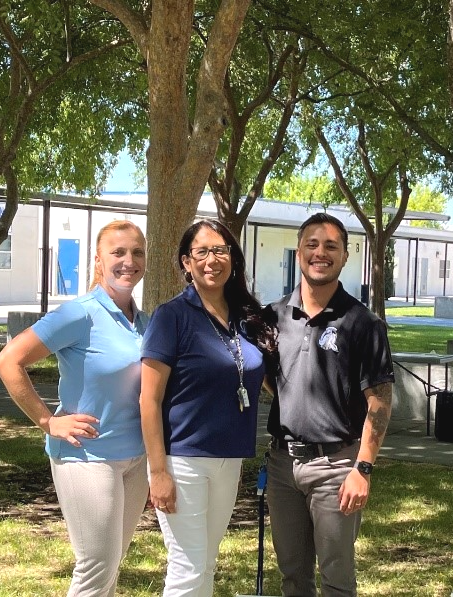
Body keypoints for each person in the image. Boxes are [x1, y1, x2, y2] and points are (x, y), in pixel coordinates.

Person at [0, 220, 149, 597]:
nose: (129, 261)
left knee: (110, 566)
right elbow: (8, 361)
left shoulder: (143, 321)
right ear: (98, 260)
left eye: (137, 252)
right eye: (118, 252)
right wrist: (48, 421)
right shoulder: (78, 313)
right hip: (87, 457)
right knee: (96, 568)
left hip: (136, 459)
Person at [140, 219, 275, 596]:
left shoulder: (247, 318)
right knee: (187, 567)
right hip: (182, 460)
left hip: (231, 457)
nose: (212, 260)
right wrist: (158, 473)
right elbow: (148, 399)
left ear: (233, 257)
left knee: (207, 562)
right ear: (186, 262)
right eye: (202, 252)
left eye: (220, 250)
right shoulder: (172, 316)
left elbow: (265, 377)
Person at [264, 213, 394, 597]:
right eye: (312, 244)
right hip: (282, 465)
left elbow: (380, 402)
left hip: (337, 467)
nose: (320, 253)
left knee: (336, 578)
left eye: (331, 246)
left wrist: (362, 469)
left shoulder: (363, 323)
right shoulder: (273, 317)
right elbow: (271, 380)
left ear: (345, 255)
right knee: (292, 576)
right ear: (300, 250)